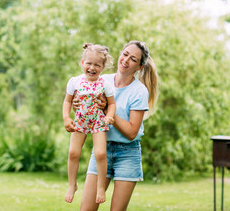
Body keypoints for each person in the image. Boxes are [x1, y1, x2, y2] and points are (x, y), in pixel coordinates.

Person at [77, 40, 159, 211]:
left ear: (139, 67)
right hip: (102, 150)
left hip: (127, 154)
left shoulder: (139, 91)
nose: (126, 60)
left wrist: (108, 108)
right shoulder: (101, 80)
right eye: (125, 54)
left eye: (133, 59)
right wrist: (76, 104)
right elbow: (85, 107)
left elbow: (131, 132)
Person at [63, 43, 116, 204]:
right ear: (82, 63)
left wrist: (109, 116)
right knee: (73, 153)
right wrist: (66, 118)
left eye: (97, 65)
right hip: (80, 121)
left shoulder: (105, 84)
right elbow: (67, 101)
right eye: (89, 63)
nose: (92, 67)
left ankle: (100, 187)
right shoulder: (74, 82)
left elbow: (112, 104)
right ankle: (72, 185)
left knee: (100, 154)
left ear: (103, 66)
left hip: (98, 122)